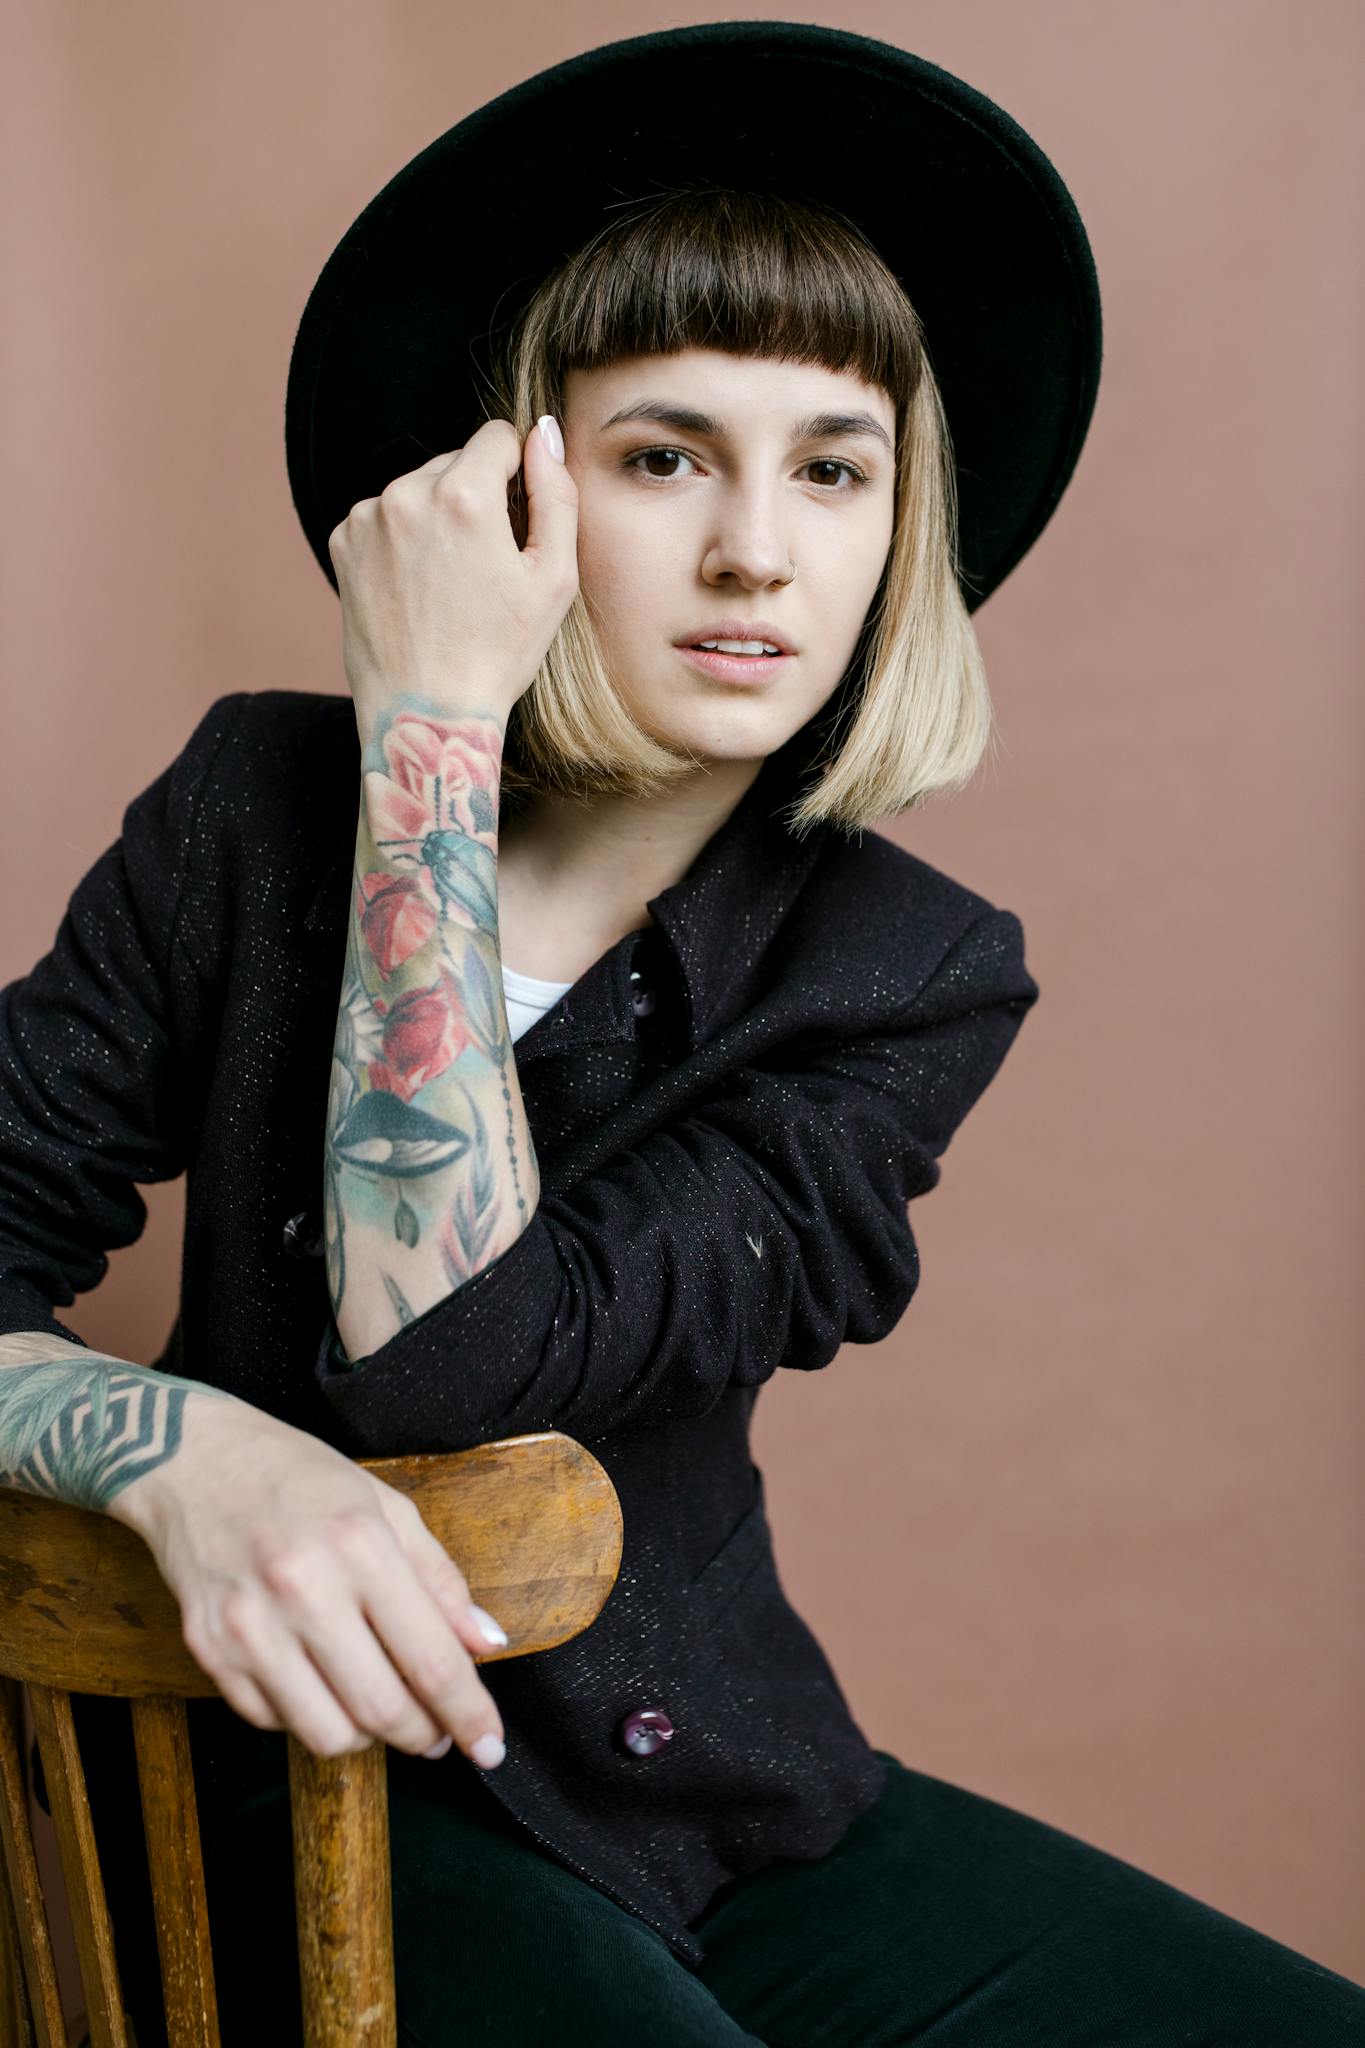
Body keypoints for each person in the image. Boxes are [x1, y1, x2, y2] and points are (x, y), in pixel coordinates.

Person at [3, 22, 1362, 2046]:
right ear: (509, 489)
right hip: (270, 1794)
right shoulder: (252, 810)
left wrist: (430, 732)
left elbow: (447, 1361)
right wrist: (183, 1456)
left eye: (833, 468)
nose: (756, 551)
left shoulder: (904, 970)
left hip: (705, 1803)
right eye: (663, 457)